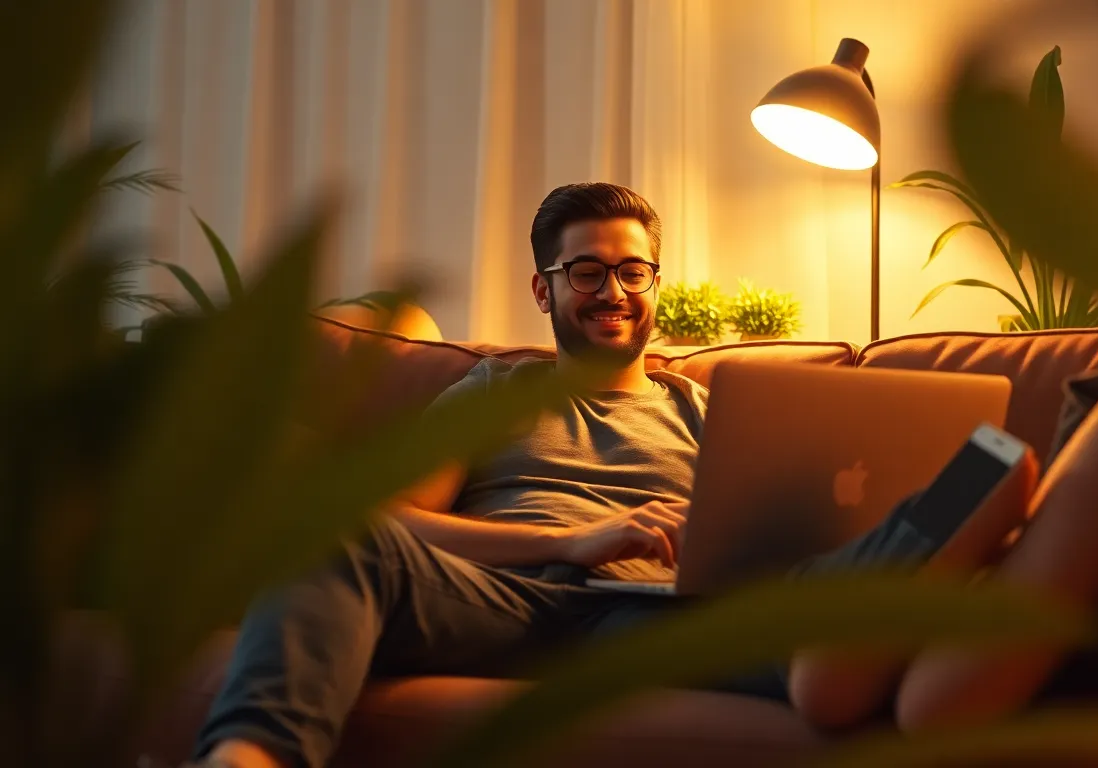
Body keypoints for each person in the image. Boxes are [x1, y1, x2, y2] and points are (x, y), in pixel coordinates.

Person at [190, 183, 1033, 768]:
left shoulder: (712, 409)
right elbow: (393, 525)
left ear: (655, 283)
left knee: (908, 514)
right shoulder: (490, 390)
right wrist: (569, 542)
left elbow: (777, 537)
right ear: (543, 289)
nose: (613, 291)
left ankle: (855, 627)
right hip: (510, 604)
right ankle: (247, 757)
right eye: (586, 272)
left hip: (653, 614)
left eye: (633, 272)